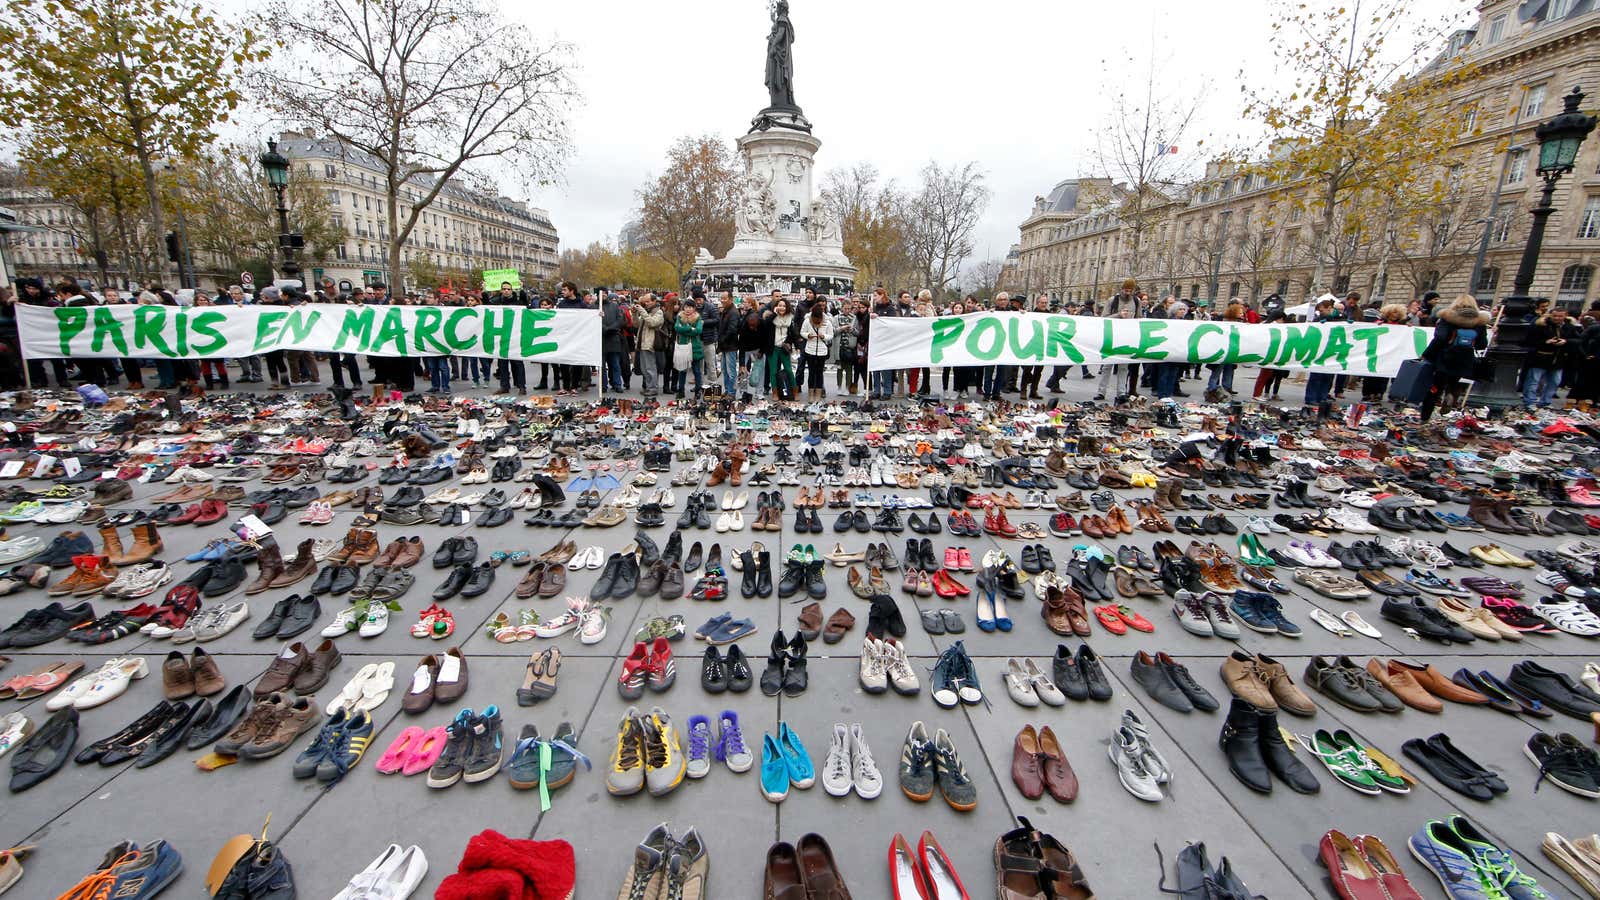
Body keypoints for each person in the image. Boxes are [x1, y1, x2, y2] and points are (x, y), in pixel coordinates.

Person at [1420, 294, 1490, 422]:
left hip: (1445, 357)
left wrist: (1427, 354)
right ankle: (1451, 394)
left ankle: (1425, 417)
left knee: (1435, 387)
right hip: (1465, 359)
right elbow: (1482, 344)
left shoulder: (1447, 318)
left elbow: (1440, 338)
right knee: (1454, 381)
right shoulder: (1479, 322)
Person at [1521, 305, 1579, 408]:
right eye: (1555, 316)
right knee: (1534, 381)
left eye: (1560, 316)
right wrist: (1546, 342)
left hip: (1558, 359)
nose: (1557, 318)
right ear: (1551, 315)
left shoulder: (1569, 327)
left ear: (1565, 316)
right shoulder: (1541, 325)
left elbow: (1578, 340)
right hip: (1540, 357)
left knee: (1555, 382)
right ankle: (1529, 401)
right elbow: (1529, 341)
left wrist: (1565, 341)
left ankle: (1545, 402)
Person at [1095, 280, 1141, 400]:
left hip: (1127, 337)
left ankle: (1121, 392)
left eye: (1130, 291)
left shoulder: (1136, 301)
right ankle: (1101, 391)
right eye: (1126, 290)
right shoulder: (1112, 300)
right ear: (1122, 289)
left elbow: (1139, 318)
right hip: (1112, 336)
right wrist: (1119, 315)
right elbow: (1104, 318)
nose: (1128, 293)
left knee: (1123, 366)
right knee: (1107, 366)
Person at [1360, 304, 1411, 403]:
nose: (1395, 315)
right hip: (1376, 351)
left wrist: (1408, 327)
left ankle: (1379, 393)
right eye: (1393, 312)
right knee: (1371, 373)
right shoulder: (1379, 323)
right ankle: (1367, 393)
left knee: (1384, 374)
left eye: (1397, 312)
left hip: (1390, 353)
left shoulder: (1402, 326)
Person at [1205, 302, 1246, 397]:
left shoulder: (1241, 324)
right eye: (1239, 313)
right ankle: (1212, 389)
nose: (1242, 314)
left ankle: (1226, 389)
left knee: (1229, 371)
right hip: (1222, 351)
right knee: (1217, 372)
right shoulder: (1224, 323)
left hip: (1232, 352)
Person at [761, 295, 797, 401]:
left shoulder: (790, 318)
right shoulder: (771, 317)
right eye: (780, 306)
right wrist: (774, 314)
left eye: (784, 306)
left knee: (789, 370)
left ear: (787, 308)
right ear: (776, 307)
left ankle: (795, 391)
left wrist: (791, 343)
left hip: (784, 348)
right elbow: (765, 325)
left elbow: (792, 334)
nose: (782, 308)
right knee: (773, 371)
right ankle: (775, 392)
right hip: (773, 348)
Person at [799, 301, 833, 400]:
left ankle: (818, 395)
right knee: (811, 372)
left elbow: (831, 335)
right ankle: (810, 394)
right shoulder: (807, 321)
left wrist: (824, 336)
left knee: (819, 373)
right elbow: (802, 332)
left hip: (822, 350)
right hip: (810, 350)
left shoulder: (827, 322)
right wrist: (808, 335)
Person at [634, 293, 665, 397]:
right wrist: (634, 314)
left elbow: (652, 323)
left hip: (650, 343)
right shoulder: (646, 312)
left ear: (654, 301)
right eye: (645, 302)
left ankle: (653, 388)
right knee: (644, 368)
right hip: (642, 343)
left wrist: (642, 311)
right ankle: (648, 387)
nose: (646, 304)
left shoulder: (659, 312)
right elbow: (637, 325)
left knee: (650, 367)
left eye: (648, 301)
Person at [672, 302, 704, 398]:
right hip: (683, 346)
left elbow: (698, 330)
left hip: (695, 347)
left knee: (696, 370)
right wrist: (691, 329)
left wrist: (684, 329)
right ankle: (681, 390)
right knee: (682, 370)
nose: (688, 309)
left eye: (690, 307)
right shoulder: (680, 316)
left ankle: (698, 390)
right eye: (686, 307)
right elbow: (677, 328)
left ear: (694, 308)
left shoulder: (698, 318)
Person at [717, 292, 741, 395]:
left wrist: (722, 340)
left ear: (730, 299)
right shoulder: (726, 311)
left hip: (730, 346)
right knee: (725, 370)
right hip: (725, 346)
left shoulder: (733, 312)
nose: (722, 300)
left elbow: (732, 330)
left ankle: (732, 392)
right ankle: (727, 390)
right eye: (721, 298)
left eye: (724, 298)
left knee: (731, 372)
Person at [834, 299, 860, 395]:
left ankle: (847, 387)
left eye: (849, 308)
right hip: (839, 346)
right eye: (845, 308)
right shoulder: (836, 318)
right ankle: (839, 387)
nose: (847, 310)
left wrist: (852, 330)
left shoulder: (854, 318)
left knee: (849, 368)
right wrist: (842, 328)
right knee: (839, 368)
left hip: (850, 347)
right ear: (842, 308)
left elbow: (858, 333)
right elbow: (833, 332)